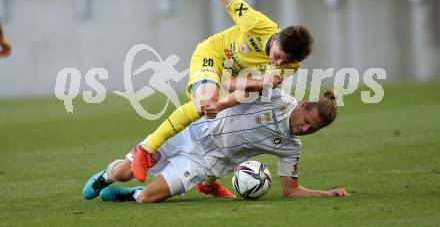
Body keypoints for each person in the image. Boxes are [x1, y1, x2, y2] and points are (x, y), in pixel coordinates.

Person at [132, 0, 314, 183]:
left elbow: (239, 86)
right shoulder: (255, 23)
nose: (277, 63)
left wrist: (260, 84)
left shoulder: (290, 65)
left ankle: (208, 184)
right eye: (277, 55)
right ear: (275, 39)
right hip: (212, 55)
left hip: (235, 77)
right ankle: (145, 150)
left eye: (285, 61)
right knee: (205, 103)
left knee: (238, 124)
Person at [82, 89, 349, 203]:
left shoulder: (292, 147)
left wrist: (326, 194)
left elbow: (291, 191)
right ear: (302, 106)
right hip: (190, 131)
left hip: (205, 160)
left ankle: (132, 195)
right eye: (305, 122)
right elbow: (237, 85)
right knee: (123, 173)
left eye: (311, 130)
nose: (303, 129)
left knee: (148, 199)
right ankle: (105, 177)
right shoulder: (276, 97)